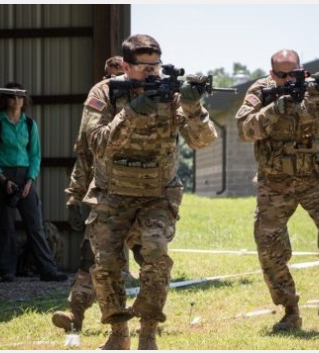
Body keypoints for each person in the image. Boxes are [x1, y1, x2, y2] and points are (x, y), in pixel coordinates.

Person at [84, 34, 217, 350]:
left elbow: (203, 141)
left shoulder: (172, 96)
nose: (152, 72)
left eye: (155, 65)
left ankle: (148, 333)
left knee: (156, 255)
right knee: (105, 265)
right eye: (144, 67)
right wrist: (133, 111)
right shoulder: (104, 92)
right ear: (127, 67)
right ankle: (119, 333)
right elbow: (98, 144)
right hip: (111, 192)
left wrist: (193, 105)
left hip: (158, 193)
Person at [235, 49, 319, 330]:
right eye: (282, 74)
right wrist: (274, 110)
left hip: (316, 180)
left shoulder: (316, 87)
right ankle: (290, 311)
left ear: (302, 69)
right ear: (271, 72)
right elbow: (244, 130)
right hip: (275, 184)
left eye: (294, 73)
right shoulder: (260, 90)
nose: (289, 79)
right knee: (270, 248)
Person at [53, 56, 135, 333]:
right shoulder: (97, 105)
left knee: (150, 259)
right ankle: (75, 315)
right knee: (90, 258)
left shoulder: (146, 99)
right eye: (108, 77)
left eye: (118, 77)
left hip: (142, 194)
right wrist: (75, 196)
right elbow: (83, 153)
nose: (112, 83)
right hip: (104, 196)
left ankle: (147, 317)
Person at [0, 82, 68, 283]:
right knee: (5, 226)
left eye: (20, 96)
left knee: (35, 224)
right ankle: (7, 271)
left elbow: (35, 155)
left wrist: (30, 180)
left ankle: (47, 269)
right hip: (0, 176)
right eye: (13, 96)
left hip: (24, 176)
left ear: (25, 100)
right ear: (5, 100)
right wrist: (3, 179)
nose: (17, 100)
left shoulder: (30, 124)